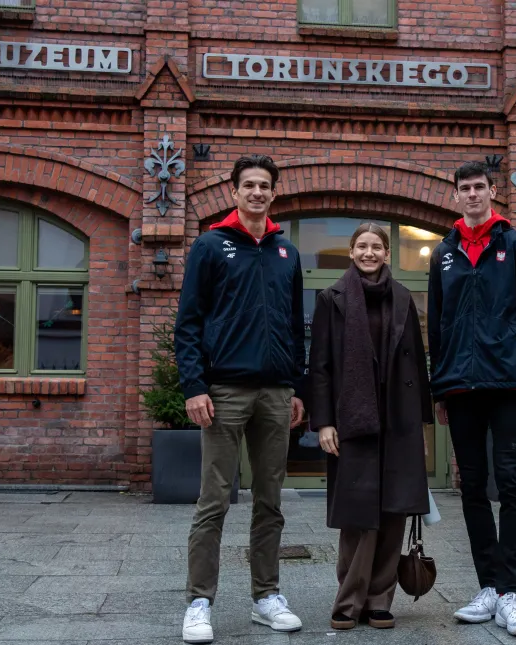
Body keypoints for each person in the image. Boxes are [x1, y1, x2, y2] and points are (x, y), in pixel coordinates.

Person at [174, 154, 307, 644]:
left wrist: (297, 387)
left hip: (275, 393)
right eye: (248, 185)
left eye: (264, 186)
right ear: (234, 192)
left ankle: (266, 597)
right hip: (224, 391)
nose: (256, 192)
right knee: (213, 502)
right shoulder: (210, 246)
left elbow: (296, 328)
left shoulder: (286, 254)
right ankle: (199, 602)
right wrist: (194, 385)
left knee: (270, 502)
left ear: (273, 193)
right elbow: (188, 323)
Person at [427, 161, 516, 637]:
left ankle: (513, 594)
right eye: (465, 188)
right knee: (473, 487)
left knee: (511, 485)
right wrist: (439, 386)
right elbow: (437, 326)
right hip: (460, 386)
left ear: (493, 192)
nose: (473, 194)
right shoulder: (443, 254)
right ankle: (489, 588)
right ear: (455, 196)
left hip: (507, 384)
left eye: (480, 187)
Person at [310, 222, 432, 631]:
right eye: (361, 246)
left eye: (376, 247)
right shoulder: (332, 299)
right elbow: (321, 366)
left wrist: (421, 423)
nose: (369, 253)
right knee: (358, 515)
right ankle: (349, 602)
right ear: (351, 252)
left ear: (386, 254)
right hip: (354, 419)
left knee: (394, 510)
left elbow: (416, 360)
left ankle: (380, 600)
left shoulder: (402, 297)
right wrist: (323, 422)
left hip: (398, 417)